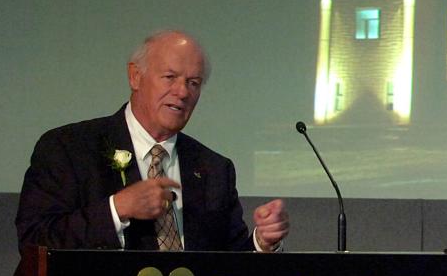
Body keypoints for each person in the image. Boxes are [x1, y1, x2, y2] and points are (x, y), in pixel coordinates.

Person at [16, 30, 289, 252]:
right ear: (135, 76)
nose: (182, 92)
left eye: (193, 83)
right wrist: (117, 209)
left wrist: (262, 243)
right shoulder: (69, 148)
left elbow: (229, 261)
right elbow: (35, 240)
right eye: (170, 77)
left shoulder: (214, 168)